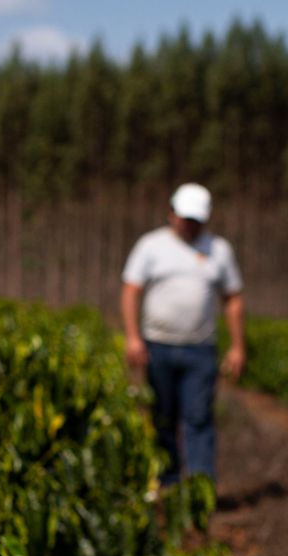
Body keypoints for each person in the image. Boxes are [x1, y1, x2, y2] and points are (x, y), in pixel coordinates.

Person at [121, 182, 246, 484]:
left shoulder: (219, 250)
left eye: (196, 220)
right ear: (171, 214)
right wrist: (133, 337)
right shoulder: (151, 246)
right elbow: (131, 291)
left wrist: (237, 346)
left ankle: (200, 491)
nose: (190, 226)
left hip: (200, 349)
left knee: (199, 419)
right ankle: (168, 484)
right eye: (186, 218)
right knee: (162, 418)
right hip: (158, 346)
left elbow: (232, 299)